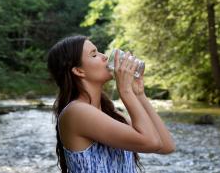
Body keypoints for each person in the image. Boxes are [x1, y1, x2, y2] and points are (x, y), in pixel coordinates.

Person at [47, 35, 175, 173]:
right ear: (79, 71)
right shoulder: (77, 112)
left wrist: (139, 94)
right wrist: (125, 91)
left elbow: (166, 145)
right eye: (94, 54)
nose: (104, 57)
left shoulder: (109, 114)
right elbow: (151, 142)